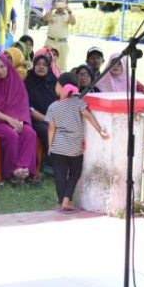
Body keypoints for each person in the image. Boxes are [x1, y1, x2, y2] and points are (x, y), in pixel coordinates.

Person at [45, 72, 108, 212]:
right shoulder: (78, 102)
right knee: (75, 173)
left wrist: (50, 145)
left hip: (58, 147)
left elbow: (51, 128)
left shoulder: (52, 107)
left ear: (61, 87)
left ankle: (62, 201)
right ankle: (65, 201)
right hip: (74, 147)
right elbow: (89, 116)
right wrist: (100, 131)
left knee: (60, 175)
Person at [0, 53, 39, 185]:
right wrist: (9, 120)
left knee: (30, 134)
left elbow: (22, 105)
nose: (0, 71)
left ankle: (23, 169)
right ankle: (10, 172)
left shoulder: (17, 82)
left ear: (8, 66)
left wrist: (19, 120)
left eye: (2, 67)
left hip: (17, 118)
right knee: (11, 135)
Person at [25, 53, 58, 175]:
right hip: (35, 119)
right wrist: (47, 119)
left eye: (44, 65)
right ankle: (49, 165)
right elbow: (29, 108)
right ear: (33, 66)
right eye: (38, 64)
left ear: (49, 68)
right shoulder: (28, 82)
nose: (41, 67)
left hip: (53, 117)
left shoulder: (53, 82)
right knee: (47, 129)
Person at [41, 0, 75, 65]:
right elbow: (44, 19)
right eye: (58, 0)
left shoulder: (68, 14)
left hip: (62, 43)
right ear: (54, 1)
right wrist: (52, 9)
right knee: (47, 63)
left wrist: (69, 12)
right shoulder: (51, 13)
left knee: (62, 65)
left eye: (63, 0)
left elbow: (73, 22)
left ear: (66, 2)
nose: (60, 2)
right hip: (50, 41)